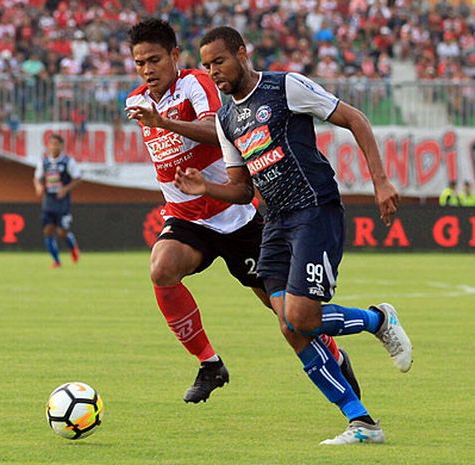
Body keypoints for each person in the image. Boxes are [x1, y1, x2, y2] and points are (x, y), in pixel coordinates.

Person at [175, 26, 413, 444]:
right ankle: (362, 422)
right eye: (207, 65)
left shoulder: (284, 87)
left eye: (220, 61)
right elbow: (243, 189)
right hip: (277, 222)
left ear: (242, 54)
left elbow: (353, 118)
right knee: (289, 327)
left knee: (301, 316)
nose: (214, 72)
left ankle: (378, 319)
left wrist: (380, 181)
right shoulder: (228, 120)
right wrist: (205, 187)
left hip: (314, 209)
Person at [125, 18, 362, 405]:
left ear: (174, 56)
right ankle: (209, 364)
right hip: (186, 218)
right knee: (161, 268)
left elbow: (216, 130)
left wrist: (165, 122)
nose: (147, 70)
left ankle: (335, 354)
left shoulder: (196, 85)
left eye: (154, 59)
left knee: (285, 311)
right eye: (139, 63)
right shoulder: (138, 101)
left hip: (235, 215)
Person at [33, 134, 82, 268]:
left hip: (62, 202)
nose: (53, 146)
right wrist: (38, 186)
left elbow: (77, 178)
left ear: (61, 146)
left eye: (56, 144)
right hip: (48, 201)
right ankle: (56, 260)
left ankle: (73, 247)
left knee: (62, 232)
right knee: (48, 230)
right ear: (48, 146)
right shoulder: (44, 162)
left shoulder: (67, 161)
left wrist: (65, 189)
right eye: (51, 144)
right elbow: (37, 178)